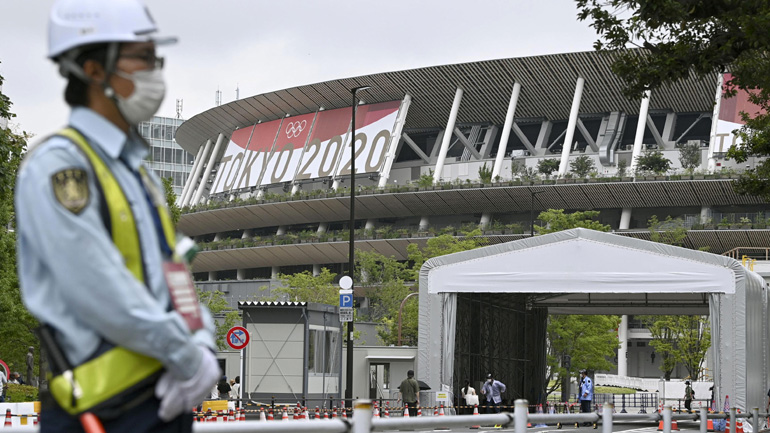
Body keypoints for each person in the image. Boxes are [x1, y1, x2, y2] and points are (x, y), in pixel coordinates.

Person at [15, 1, 220, 431]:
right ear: (93, 69)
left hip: (167, 400)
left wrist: (202, 345)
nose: (154, 71)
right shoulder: (59, 166)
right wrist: (187, 357)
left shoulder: (137, 173)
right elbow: (99, 288)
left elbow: (173, 270)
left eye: (154, 58)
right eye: (142, 58)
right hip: (102, 410)